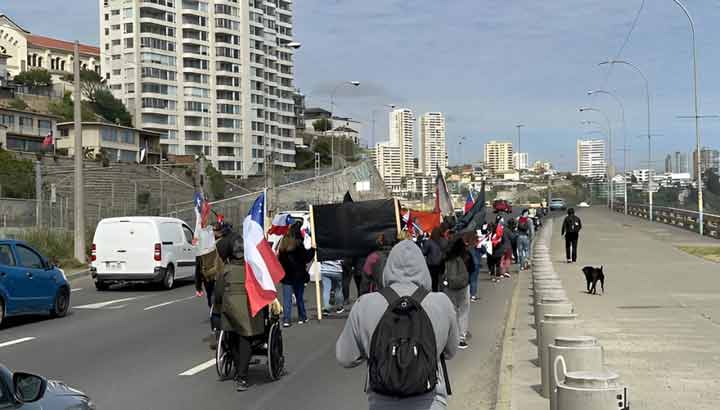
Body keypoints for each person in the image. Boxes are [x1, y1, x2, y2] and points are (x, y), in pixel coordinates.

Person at [336, 240, 459, 410]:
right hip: (429, 401)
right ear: (423, 268)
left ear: (388, 267)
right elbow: (451, 351)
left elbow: (345, 357)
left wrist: (375, 350)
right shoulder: (441, 303)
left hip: (382, 402)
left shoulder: (364, 304)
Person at [213, 228, 265, 392]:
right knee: (245, 339)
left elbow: (218, 293)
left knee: (232, 338)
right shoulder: (252, 268)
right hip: (249, 308)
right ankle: (242, 376)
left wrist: (218, 306)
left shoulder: (225, 270)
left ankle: (239, 369)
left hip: (229, 309)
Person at [278, 221, 315, 327]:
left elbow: (280, 260)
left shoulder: (283, 245)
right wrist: (313, 249)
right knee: (299, 297)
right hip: (298, 275)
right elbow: (306, 258)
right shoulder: (298, 245)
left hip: (286, 276)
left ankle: (286, 319)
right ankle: (302, 317)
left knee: (287, 299)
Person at [443, 237, 471, 349]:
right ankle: (461, 337)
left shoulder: (447, 257)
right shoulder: (466, 256)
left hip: (449, 287)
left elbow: (440, 270)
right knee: (463, 312)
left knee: (451, 311)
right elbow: (472, 269)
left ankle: (450, 337)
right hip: (463, 288)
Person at [423, 228, 444, 292]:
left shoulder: (429, 242)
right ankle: (442, 292)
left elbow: (424, 252)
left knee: (433, 281)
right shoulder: (443, 241)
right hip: (441, 263)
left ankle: (435, 294)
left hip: (432, 264)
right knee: (441, 280)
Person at [465, 231, 481, 303]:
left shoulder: (466, 245)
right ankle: (473, 295)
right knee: (474, 280)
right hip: (476, 263)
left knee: (468, 280)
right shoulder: (476, 244)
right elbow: (483, 250)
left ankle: (467, 295)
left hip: (467, 264)